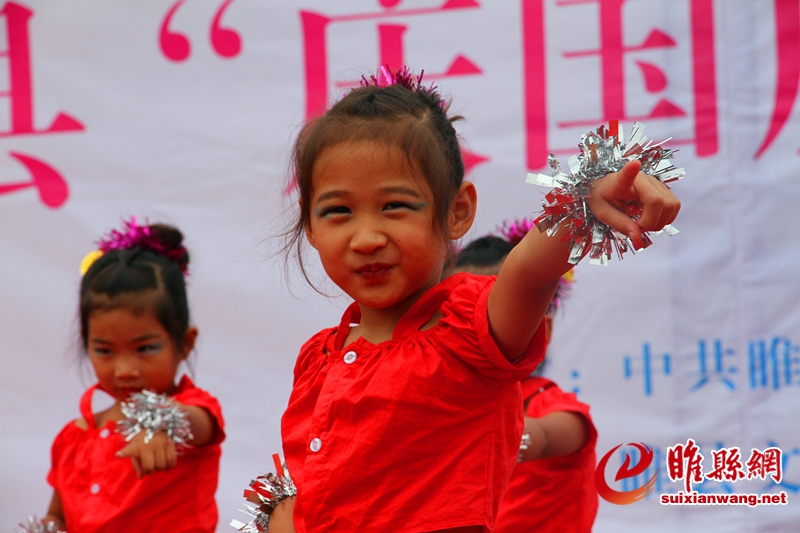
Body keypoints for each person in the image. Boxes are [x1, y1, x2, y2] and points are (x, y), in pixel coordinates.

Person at [272, 67, 679, 533]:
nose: (366, 238)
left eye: (394, 206)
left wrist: (584, 204)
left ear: (457, 210)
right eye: (338, 210)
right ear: (310, 225)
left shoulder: (467, 329)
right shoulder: (316, 359)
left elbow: (527, 273)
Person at [41, 219, 225, 533]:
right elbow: (57, 517)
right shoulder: (73, 437)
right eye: (105, 350)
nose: (125, 370)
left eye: (145, 348)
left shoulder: (195, 410)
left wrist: (160, 423)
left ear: (185, 343)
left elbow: (196, 424)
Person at [451, 230, 597, 533]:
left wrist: (497, 437)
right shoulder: (449, 405)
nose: (478, 329)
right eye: (460, 314)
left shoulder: (552, 407)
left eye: (498, 312)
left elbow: (545, 435)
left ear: (544, 329)